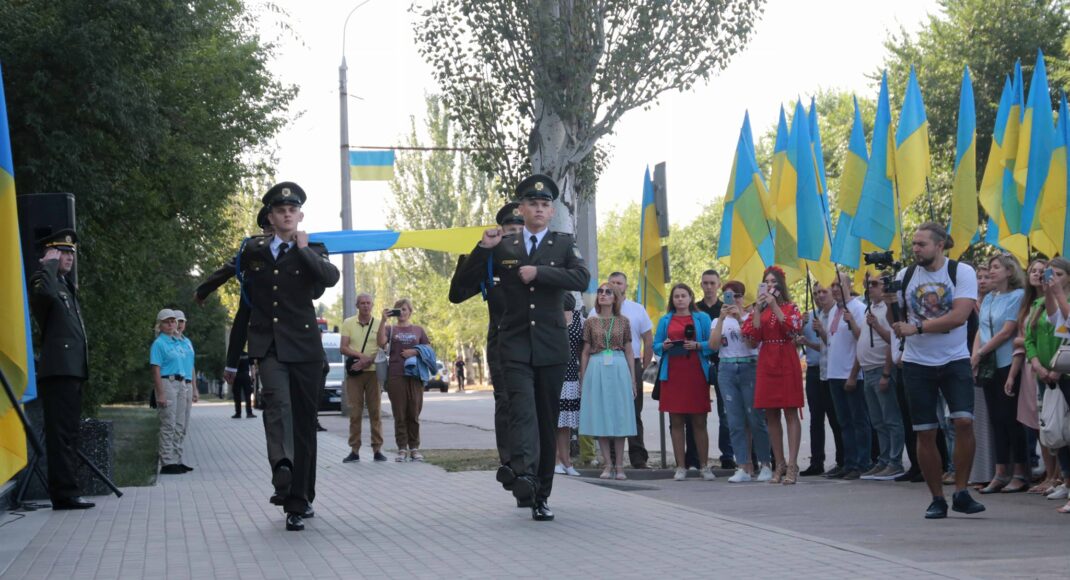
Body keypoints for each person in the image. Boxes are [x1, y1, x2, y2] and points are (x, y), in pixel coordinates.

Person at [195, 182, 340, 532]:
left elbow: (329, 278)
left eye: (292, 210)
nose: (287, 214)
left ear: (300, 216)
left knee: (305, 426)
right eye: (280, 210)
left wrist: (303, 250)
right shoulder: (253, 249)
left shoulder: (315, 249)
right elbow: (232, 271)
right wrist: (204, 286)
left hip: (305, 349)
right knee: (276, 407)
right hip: (270, 347)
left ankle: (300, 499)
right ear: (271, 217)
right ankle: (282, 470)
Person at [452, 174, 590, 521]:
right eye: (533, 204)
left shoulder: (563, 243)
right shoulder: (502, 246)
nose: (539, 209)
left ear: (551, 210)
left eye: (545, 204)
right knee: (522, 411)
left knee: (545, 421)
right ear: (522, 208)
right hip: (513, 345)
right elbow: (458, 291)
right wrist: (481, 249)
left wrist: (540, 272)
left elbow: (581, 279)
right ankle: (525, 475)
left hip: (551, 347)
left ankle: (540, 492)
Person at [885, 222, 985, 519]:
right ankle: (937, 498)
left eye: (921, 244)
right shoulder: (905, 276)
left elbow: (959, 316)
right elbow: (898, 321)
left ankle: (962, 491)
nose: (915, 249)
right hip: (917, 363)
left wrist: (918, 327)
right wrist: (891, 304)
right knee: (925, 431)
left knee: (964, 422)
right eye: (914, 244)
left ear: (940, 245)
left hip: (955, 358)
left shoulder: (961, 272)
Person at [448, 201, 526, 485]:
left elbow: (565, 297)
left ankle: (532, 464)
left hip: (534, 341)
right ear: (500, 231)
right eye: (510, 229)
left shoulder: (541, 255)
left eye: (520, 228)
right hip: (502, 342)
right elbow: (456, 293)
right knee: (506, 404)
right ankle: (511, 465)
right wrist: (482, 250)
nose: (515, 234)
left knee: (532, 407)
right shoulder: (489, 260)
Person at [28, 229, 94, 510]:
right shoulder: (44, 280)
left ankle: (69, 490)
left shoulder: (65, 285)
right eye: (62, 252)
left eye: (70, 253)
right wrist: (49, 265)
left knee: (69, 433)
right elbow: (44, 297)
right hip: (58, 371)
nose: (69, 257)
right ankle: (64, 494)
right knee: (60, 435)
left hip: (71, 370)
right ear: (49, 254)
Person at [743, 266, 804, 484]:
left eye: (773, 281)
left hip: (786, 359)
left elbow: (792, 329)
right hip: (767, 359)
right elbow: (753, 337)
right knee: (771, 415)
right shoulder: (759, 309)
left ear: (780, 285)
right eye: (766, 281)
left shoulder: (790, 307)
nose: (769, 285)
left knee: (790, 412)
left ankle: (793, 464)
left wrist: (774, 305)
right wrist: (758, 309)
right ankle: (779, 463)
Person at [973, 254, 1027, 493]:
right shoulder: (988, 298)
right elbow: (980, 330)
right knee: (996, 418)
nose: (991, 271)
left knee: (1011, 418)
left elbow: (1007, 331)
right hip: (988, 364)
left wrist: (982, 352)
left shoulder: (1017, 296)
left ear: (1009, 271)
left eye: (996, 267)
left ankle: (1020, 471)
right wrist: (974, 355)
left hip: (1006, 362)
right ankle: (1000, 471)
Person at [710, 281, 771, 483]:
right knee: (734, 421)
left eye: (736, 295)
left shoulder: (750, 317)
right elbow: (713, 346)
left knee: (755, 418)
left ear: (743, 297)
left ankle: (765, 463)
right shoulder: (717, 320)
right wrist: (721, 319)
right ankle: (743, 465)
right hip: (726, 367)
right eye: (728, 296)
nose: (733, 299)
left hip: (749, 366)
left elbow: (753, 342)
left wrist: (739, 319)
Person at [653, 283, 715, 481]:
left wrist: (698, 345)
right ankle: (680, 466)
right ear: (672, 300)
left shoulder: (702, 318)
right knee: (676, 420)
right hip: (672, 374)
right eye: (676, 296)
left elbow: (712, 345)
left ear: (690, 297)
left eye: (683, 295)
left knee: (699, 420)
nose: (679, 299)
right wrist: (664, 345)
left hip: (696, 372)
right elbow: (656, 345)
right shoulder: (665, 320)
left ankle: (704, 465)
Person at [579, 283, 637, 480]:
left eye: (608, 292)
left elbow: (629, 350)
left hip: (619, 366)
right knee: (601, 415)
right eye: (600, 292)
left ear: (616, 297)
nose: (603, 295)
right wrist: (583, 377)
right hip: (596, 365)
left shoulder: (624, 321)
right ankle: (607, 464)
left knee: (620, 415)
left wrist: (633, 380)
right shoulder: (590, 322)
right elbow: (585, 352)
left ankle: (620, 465)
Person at [854, 275, 905, 480]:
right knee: (877, 420)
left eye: (874, 284)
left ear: (885, 287)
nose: (869, 288)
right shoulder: (869, 308)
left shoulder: (887, 310)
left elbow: (891, 340)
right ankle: (883, 460)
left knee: (891, 419)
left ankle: (895, 461)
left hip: (881, 370)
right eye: (868, 284)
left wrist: (886, 373)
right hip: (868, 370)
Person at [607, 272, 654, 469]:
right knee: (610, 411)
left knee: (633, 412)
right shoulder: (598, 311)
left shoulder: (636, 309)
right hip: (607, 364)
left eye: (619, 283)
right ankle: (610, 457)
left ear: (626, 286)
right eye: (612, 283)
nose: (616, 286)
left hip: (632, 363)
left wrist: (643, 364)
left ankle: (638, 456)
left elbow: (648, 338)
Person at [797, 282, 843, 477]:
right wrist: (800, 327)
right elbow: (800, 342)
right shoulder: (811, 316)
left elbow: (831, 345)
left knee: (835, 418)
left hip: (833, 371)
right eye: (816, 293)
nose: (819, 296)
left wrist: (818, 335)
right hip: (815, 370)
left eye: (823, 292)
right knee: (816, 419)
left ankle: (843, 460)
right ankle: (817, 461)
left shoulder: (837, 314)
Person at [377, 298, 431, 463]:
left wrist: (414, 352)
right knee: (399, 413)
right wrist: (383, 320)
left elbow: (428, 348)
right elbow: (380, 343)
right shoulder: (390, 328)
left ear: (410, 312)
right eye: (399, 310)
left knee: (414, 412)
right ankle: (402, 448)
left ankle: (414, 448)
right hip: (396, 374)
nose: (402, 312)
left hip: (415, 376)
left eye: (405, 309)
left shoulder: (418, 330)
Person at [339, 293, 386, 463]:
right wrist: (361, 357)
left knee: (375, 412)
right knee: (355, 411)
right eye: (362, 303)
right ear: (357, 306)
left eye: (368, 303)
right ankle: (354, 450)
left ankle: (377, 449)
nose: (366, 306)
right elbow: (343, 348)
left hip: (374, 373)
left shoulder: (380, 323)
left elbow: (383, 348)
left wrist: (368, 361)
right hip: (355, 374)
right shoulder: (348, 323)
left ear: (372, 305)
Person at [696, 269, 734, 470]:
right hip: (700, 364)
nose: (709, 286)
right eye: (705, 283)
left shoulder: (726, 308)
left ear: (719, 285)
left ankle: (727, 455)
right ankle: (694, 457)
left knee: (725, 412)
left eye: (712, 283)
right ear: (701, 285)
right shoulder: (695, 309)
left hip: (722, 364)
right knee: (696, 412)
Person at [150, 309, 189, 475]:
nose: (171, 324)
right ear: (160, 325)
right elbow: (156, 370)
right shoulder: (159, 344)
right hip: (168, 382)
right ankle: (166, 461)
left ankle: (176, 458)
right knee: (169, 423)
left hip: (180, 383)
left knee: (179, 424)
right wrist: (161, 393)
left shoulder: (177, 342)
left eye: (173, 321)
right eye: (167, 321)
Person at [556, 293, 583, 477]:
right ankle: (554, 460)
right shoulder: (550, 315)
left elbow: (583, 348)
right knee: (552, 420)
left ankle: (566, 461)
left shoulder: (580, 320)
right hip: (553, 372)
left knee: (565, 422)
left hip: (572, 373)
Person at [172, 310, 198, 469]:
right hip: (176, 384)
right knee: (176, 423)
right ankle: (171, 458)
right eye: (177, 321)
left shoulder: (187, 341)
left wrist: (195, 388)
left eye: (182, 321)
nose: (180, 324)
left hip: (188, 383)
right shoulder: (170, 341)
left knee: (184, 424)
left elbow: (192, 365)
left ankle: (178, 458)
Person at [231, 352, 256, 418]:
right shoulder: (248, 354)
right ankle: (249, 413)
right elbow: (252, 366)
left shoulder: (234, 354)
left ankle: (238, 413)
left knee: (237, 395)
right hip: (246, 376)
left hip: (236, 376)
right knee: (248, 395)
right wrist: (253, 377)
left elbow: (230, 366)